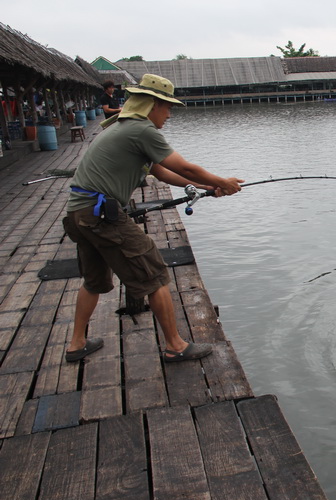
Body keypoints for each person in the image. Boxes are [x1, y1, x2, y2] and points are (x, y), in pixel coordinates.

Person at [62, 74, 244, 363]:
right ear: (152, 105)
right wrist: (224, 181)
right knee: (155, 273)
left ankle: (76, 344)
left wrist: (210, 187)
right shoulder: (141, 130)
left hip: (79, 215)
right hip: (100, 217)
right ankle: (175, 346)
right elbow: (186, 167)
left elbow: (161, 172)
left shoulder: (123, 127)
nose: (169, 114)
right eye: (167, 107)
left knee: (94, 281)